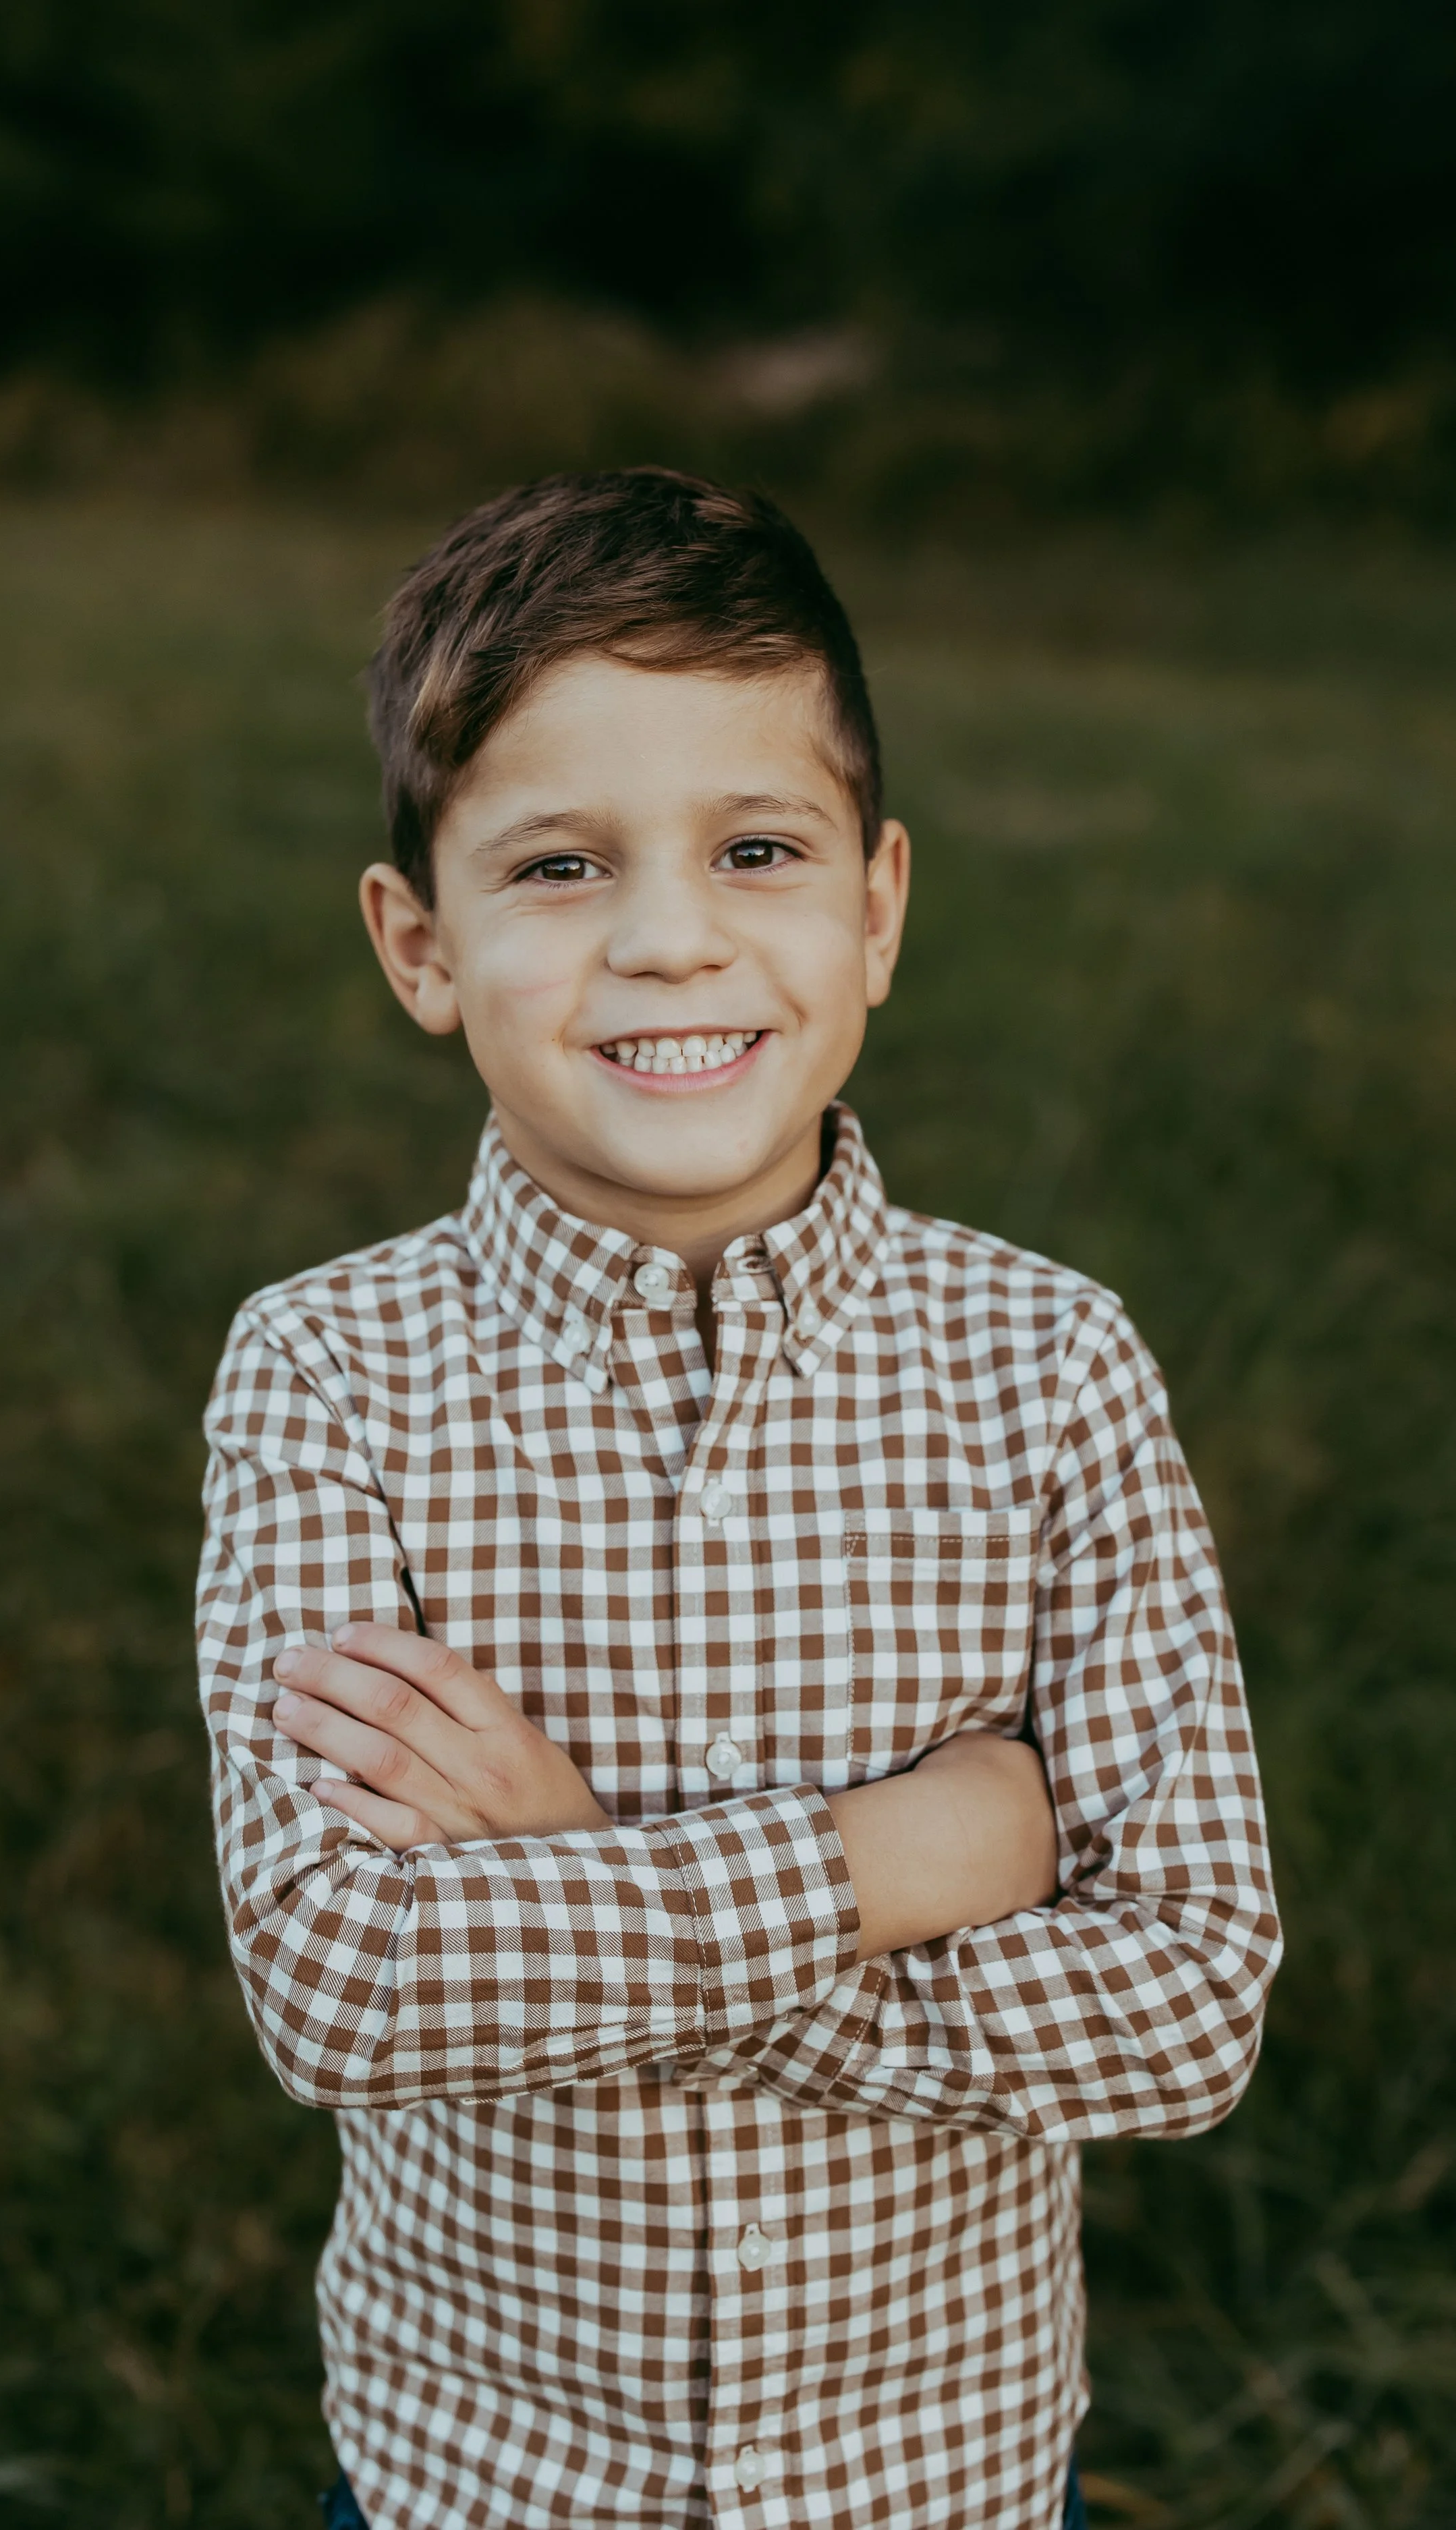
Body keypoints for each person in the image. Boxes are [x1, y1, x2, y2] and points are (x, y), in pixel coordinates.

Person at [195, 468, 1279, 2530]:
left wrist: (574, 1869)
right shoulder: (329, 1372)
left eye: (754, 849)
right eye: (561, 865)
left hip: (932, 2472)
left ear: (873, 905)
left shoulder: (1046, 1367)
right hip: (482, 2473)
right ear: (418, 946)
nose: (670, 937)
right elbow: (340, 1983)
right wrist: (896, 1851)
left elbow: (1189, 2001)